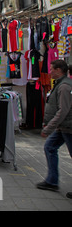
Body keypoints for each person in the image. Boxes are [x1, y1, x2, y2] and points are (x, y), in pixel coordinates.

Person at [36, 60, 72, 200]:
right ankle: (52, 181)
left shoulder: (64, 86)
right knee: (49, 147)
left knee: (50, 147)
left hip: (68, 127)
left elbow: (63, 111)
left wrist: (49, 127)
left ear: (59, 70)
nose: (49, 71)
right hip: (62, 126)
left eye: (51, 69)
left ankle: (52, 181)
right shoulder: (61, 84)